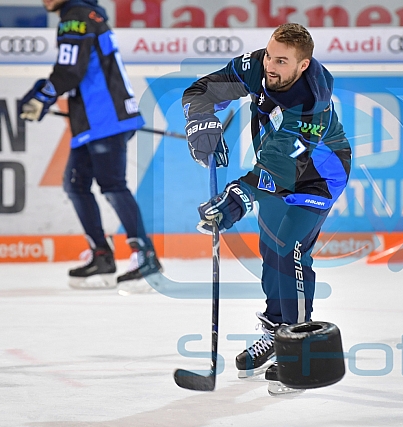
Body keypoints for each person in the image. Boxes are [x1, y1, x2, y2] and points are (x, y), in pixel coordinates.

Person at [182, 23, 351, 382]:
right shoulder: (257, 67)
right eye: (270, 55)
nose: (271, 66)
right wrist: (201, 121)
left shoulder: (312, 103)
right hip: (273, 170)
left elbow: (282, 164)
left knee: (289, 248)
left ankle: (300, 341)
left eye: (282, 61)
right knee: (272, 250)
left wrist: (237, 197)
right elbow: (199, 92)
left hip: (318, 176)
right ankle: (277, 328)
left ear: (302, 66)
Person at [18, 0, 162, 290]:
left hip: (105, 117)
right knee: (76, 184)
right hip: (94, 119)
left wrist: (41, 97)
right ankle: (102, 256)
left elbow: (70, 70)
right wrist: (42, 95)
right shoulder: (87, 14)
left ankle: (145, 258)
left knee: (112, 184)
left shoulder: (75, 16)